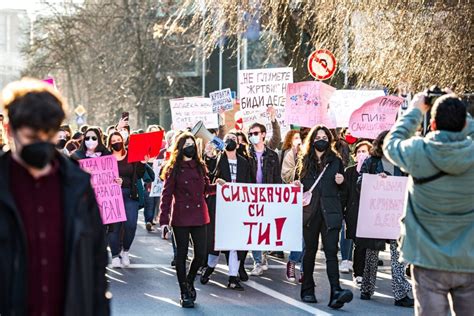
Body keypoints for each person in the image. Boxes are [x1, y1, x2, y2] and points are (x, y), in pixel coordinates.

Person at [0, 78, 110, 315]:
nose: (41, 145)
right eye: (31, 137)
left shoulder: (79, 186)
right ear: (10, 130)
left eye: (48, 136)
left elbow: (96, 262)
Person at [383, 93, 474, 315]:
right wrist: (459, 109)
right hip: (469, 258)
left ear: (432, 124)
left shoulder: (417, 152)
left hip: (427, 258)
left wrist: (415, 110)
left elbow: (391, 143)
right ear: (464, 124)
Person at [158, 132, 225, 308]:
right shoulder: (173, 168)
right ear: (179, 148)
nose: (190, 146)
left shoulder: (200, 166)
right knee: (181, 255)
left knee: (200, 254)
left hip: (200, 215)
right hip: (180, 216)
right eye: (186, 144)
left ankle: (189, 281)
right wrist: (164, 220)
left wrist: (216, 187)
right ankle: (184, 292)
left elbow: (204, 189)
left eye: (192, 143)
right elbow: (166, 195)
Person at [297, 125, 353, 309]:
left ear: (329, 140)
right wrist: (297, 184)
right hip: (310, 215)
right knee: (309, 252)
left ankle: (336, 291)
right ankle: (307, 289)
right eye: (318, 136)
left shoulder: (335, 161)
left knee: (331, 253)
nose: (321, 139)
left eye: (324, 136)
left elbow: (344, 191)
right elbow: (298, 186)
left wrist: (342, 182)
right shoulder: (305, 160)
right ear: (312, 140)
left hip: (330, 214)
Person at [357, 130, 413, 307]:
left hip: (397, 215)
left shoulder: (402, 164)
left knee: (398, 256)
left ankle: (400, 294)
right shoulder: (371, 162)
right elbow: (360, 184)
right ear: (379, 144)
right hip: (377, 215)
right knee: (372, 254)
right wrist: (375, 180)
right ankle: (367, 288)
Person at [200, 132, 254, 290]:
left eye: (233, 139)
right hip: (218, 205)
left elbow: (249, 183)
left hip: (237, 206)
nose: (230, 141)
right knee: (216, 239)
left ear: (238, 144)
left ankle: (233, 276)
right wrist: (209, 157)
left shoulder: (245, 162)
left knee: (235, 242)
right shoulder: (216, 159)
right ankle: (209, 269)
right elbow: (207, 177)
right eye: (227, 139)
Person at [247, 121, 282, 276]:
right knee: (254, 229)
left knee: (266, 229)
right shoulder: (246, 154)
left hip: (268, 196)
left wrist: (278, 196)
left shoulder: (272, 155)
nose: (253, 137)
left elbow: (277, 178)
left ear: (262, 134)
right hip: (251, 197)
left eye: (255, 133)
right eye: (250, 134)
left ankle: (263, 255)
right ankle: (258, 261)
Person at [107, 131, 146, 268]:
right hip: (111, 196)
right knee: (114, 228)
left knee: (131, 225)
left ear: (123, 140)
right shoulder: (106, 157)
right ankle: (115, 255)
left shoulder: (131, 155)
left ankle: (125, 251)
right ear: (109, 143)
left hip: (129, 195)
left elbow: (139, 175)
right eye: (113, 140)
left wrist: (142, 163)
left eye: (118, 139)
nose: (116, 142)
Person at [341, 140, 372, 287]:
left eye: (364, 151)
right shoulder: (349, 172)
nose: (361, 154)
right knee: (357, 242)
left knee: (364, 244)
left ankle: (363, 273)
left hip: (369, 212)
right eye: (359, 152)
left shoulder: (374, 171)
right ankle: (358, 273)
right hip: (353, 211)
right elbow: (345, 194)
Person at [280, 129, 305, 282]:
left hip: (314, 197)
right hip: (297, 198)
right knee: (301, 235)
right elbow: (285, 175)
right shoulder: (291, 154)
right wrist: (298, 162)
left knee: (311, 237)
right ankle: (293, 261)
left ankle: (305, 270)